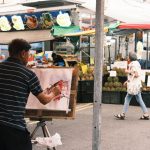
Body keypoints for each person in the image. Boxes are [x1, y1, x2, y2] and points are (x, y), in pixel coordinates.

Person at [0, 39, 61, 150]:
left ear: (10, 52)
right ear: (23, 53)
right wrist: (54, 93)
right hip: (14, 128)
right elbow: (44, 100)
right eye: (28, 54)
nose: (28, 58)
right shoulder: (27, 74)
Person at [114, 52, 149, 120]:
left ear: (130, 58)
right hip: (136, 85)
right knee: (138, 99)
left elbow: (136, 74)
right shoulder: (137, 63)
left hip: (133, 86)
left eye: (128, 56)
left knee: (128, 98)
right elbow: (134, 75)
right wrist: (127, 81)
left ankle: (122, 114)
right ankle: (145, 114)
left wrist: (128, 71)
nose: (128, 58)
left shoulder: (133, 64)